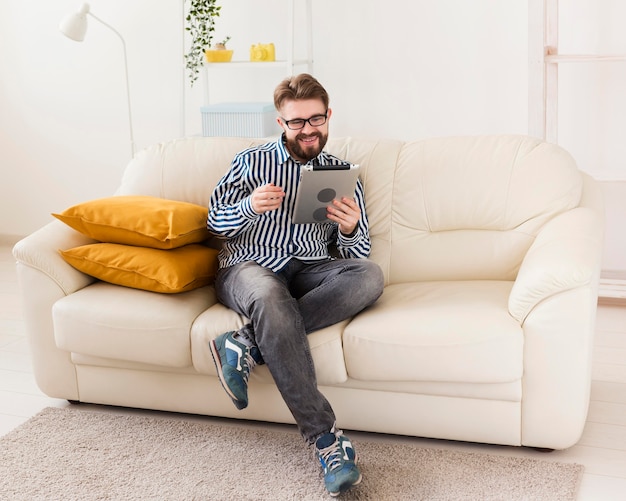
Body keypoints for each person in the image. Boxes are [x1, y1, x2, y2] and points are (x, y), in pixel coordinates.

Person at [207, 73, 384, 497]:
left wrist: (349, 227)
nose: (307, 130)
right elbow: (215, 221)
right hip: (250, 265)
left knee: (370, 277)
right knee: (269, 297)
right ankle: (326, 441)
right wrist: (248, 207)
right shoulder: (251, 161)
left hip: (310, 269)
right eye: (296, 122)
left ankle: (245, 343)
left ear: (328, 116)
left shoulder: (343, 173)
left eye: (315, 119)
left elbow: (356, 253)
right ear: (280, 122)